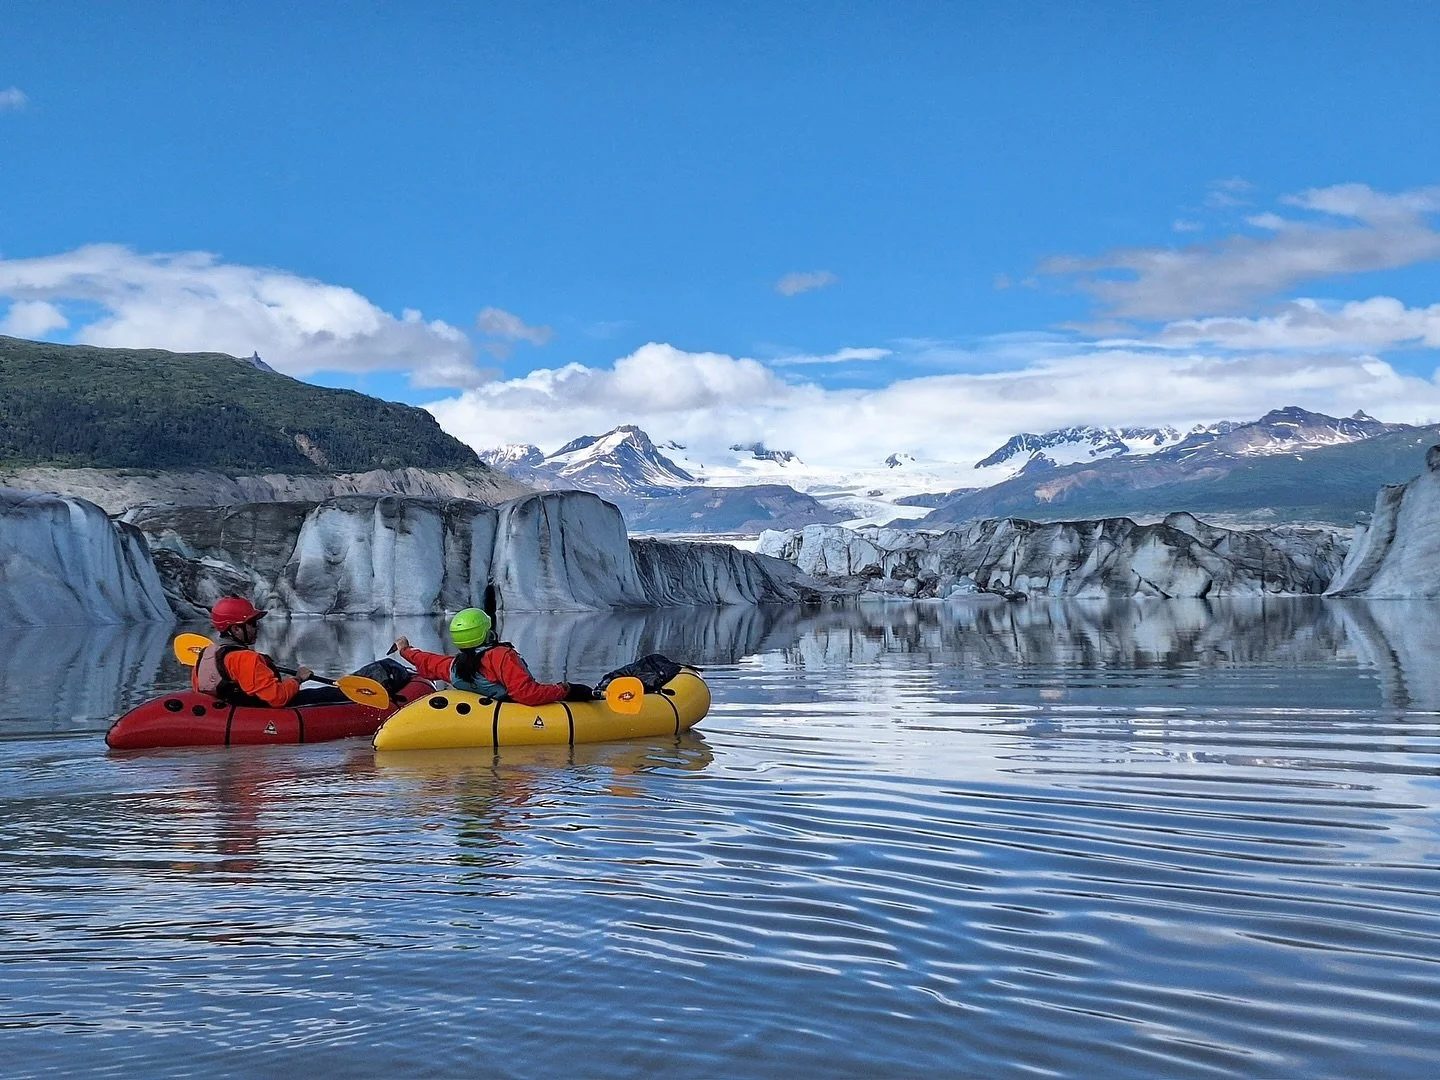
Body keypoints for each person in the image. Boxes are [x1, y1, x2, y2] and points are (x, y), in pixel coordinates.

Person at [392, 608, 594, 706]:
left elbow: (427, 661)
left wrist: (405, 650)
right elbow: (526, 695)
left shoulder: (455, 665)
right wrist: (564, 689)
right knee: (579, 691)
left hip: (483, 712)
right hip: (510, 712)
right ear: (486, 632)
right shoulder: (502, 656)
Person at [193, 595, 342, 707]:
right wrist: (298, 679)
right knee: (329, 694)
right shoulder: (246, 659)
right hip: (259, 715)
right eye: (251, 623)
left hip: (231, 713)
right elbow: (277, 698)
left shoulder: (205, 654)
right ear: (236, 629)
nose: (256, 627)